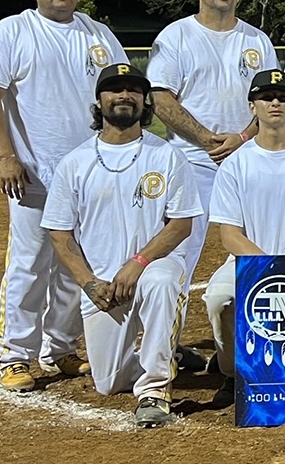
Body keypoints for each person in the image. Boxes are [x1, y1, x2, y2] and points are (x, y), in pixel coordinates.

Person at [0, 0, 128, 391]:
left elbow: (119, 95)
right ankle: (14, 353)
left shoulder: (99, 35)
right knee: (29, 262)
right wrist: (6, 155)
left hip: (92, 173)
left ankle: (59, 347)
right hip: (35, 173)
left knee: (74, 265)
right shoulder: (12, 32)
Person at [42, 63, 201, 428]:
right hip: (103, 282)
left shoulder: (165, 156)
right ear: (99, 101)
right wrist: (89, 283)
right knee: (108, 383)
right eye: (114, 89)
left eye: (133, 89)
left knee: (161, 283)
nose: (124, 96)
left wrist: (140, 261)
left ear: (144, 101)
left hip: (153, 265)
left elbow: (181, 224)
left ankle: (155, 390)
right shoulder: (76, 163)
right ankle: (163, 352)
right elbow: (60, 234)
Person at [147, 0, 278, 366]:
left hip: (249, 158)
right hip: (190, 160)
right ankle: (164, 349)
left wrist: (241, 138)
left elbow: (274, 101)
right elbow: (161, 98)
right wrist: (207, 140)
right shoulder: (178, 36)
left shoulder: (257, 40)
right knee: (179, 255)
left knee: (265, 244)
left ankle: (266, 342)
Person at [203, 70, 285, 408]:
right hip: (247, 261)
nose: (275, 102)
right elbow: (230, 234)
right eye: (266, 97)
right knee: (218, 299)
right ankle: (231, 372)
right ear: (253, 106)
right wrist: (267, 266)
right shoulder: (236, 164)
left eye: (283, 98)